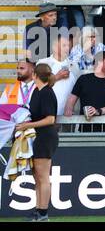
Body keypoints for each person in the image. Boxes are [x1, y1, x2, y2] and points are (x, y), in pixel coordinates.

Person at [13, 63, 59, 220]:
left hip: (45, 137)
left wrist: (27, 124)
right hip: (36, 136)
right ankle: (39, 209)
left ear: (35, 75)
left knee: (43, 176)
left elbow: (50, 119)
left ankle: (43, 212)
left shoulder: (47, 92)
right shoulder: (37, 92)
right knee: (37, 176)